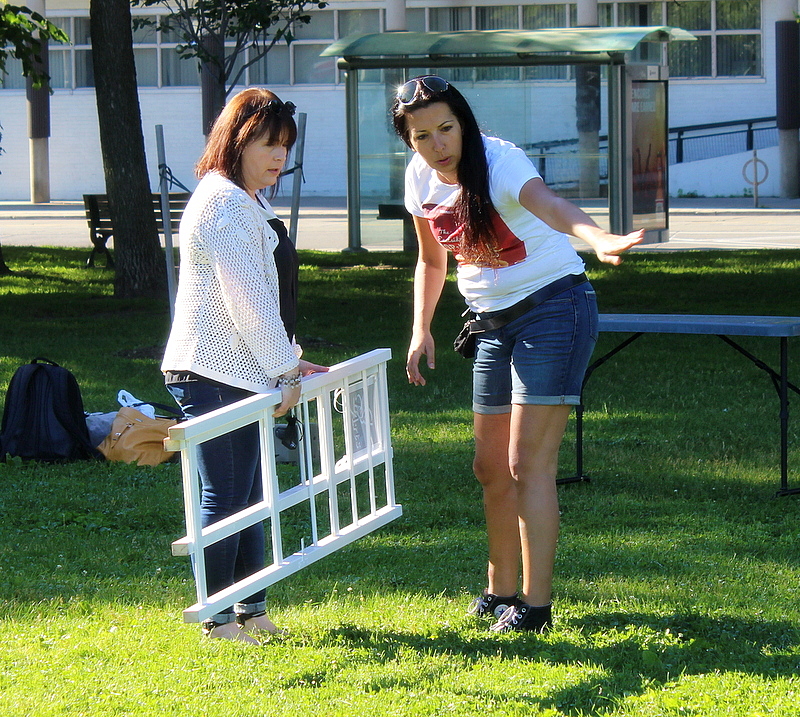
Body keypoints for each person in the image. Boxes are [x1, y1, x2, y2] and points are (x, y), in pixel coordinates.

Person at [391, 76, 643, 633]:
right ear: (409, 141)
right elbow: (432, 260)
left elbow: (550, 205)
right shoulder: (419, 178)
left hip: (553, 308)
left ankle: (535, 606)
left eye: (446, 128)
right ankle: (499, 589)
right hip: (489, 323)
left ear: (464, 123)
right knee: (489, 467)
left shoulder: (501, 162)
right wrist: (420, 329)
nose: (438, 144)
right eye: (423, 136)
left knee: (527, 465)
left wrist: (596, 237)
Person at [162, 87, 327, 643]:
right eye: (267, 144)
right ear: (235, 142)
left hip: (240, 370)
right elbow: (247, 300)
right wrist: (284, 370)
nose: (279, 156)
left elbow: (263, 300)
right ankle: (216, 620)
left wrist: (290, 361)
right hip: (210, 372)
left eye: (285, 145)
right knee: (228, 496)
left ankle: (250, 611)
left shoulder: (246, 200)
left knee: (252, 496)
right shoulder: (225, 203)